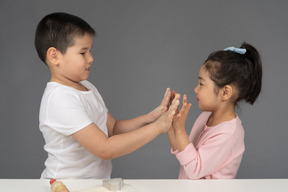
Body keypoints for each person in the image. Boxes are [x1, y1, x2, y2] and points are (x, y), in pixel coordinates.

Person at [35, 12, 180, 179]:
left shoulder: (86, 87)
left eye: (90, 51)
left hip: (92, 185)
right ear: (54, 56)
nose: (91, 58)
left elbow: (113, 128)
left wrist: (152, 117)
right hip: (66, 186)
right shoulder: (60, 98)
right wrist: (158, 127)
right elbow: (105, 148)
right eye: (83, 53)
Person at [167, 43, 262, 179]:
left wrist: (180, 130)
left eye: (201, 84)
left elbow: (194, 170)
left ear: (225, 92)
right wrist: (171, 126)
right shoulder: (205, 116)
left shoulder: (228, 134)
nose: (195, 89)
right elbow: (184, 153)